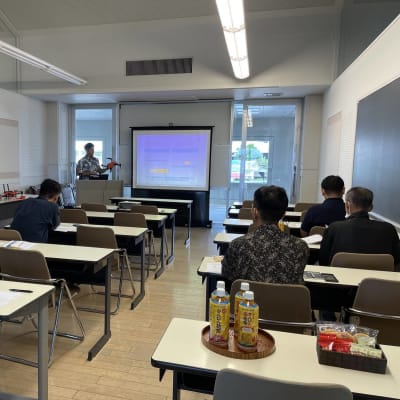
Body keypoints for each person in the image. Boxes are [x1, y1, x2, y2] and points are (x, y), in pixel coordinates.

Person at [222, 185, 309, 284]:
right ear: (283, 215)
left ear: (255, 212)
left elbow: (227, 276)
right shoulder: (300, 247)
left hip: (247, 294)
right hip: (286, 295)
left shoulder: (238, 245)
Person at [319, 187, 400, 266]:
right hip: (379, 275)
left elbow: (323, 261)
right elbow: (397, 260)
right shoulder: (389, 229)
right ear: (371, 207)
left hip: (339, 274)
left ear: (347, 205)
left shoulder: (334, 228)